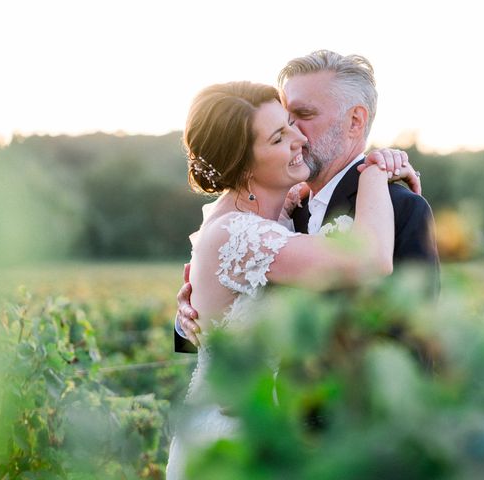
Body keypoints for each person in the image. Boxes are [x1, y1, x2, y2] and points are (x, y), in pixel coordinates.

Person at [166, 80, 415, 479]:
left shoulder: (279, 212)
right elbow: (369, 259)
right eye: (280, 136)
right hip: (233, 439)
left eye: (293, 123)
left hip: (279, 429)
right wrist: (373, 172)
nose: (299, 138)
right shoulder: (235, 233)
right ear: (244, 163)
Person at [175, 50, 439, 350]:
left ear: (355, 121)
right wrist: (189, 318)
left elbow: (418, 343)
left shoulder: (402, 208)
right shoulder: (264, 218)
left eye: (302, 116)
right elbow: (211, 325)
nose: (296, 135)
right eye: (283, 126)